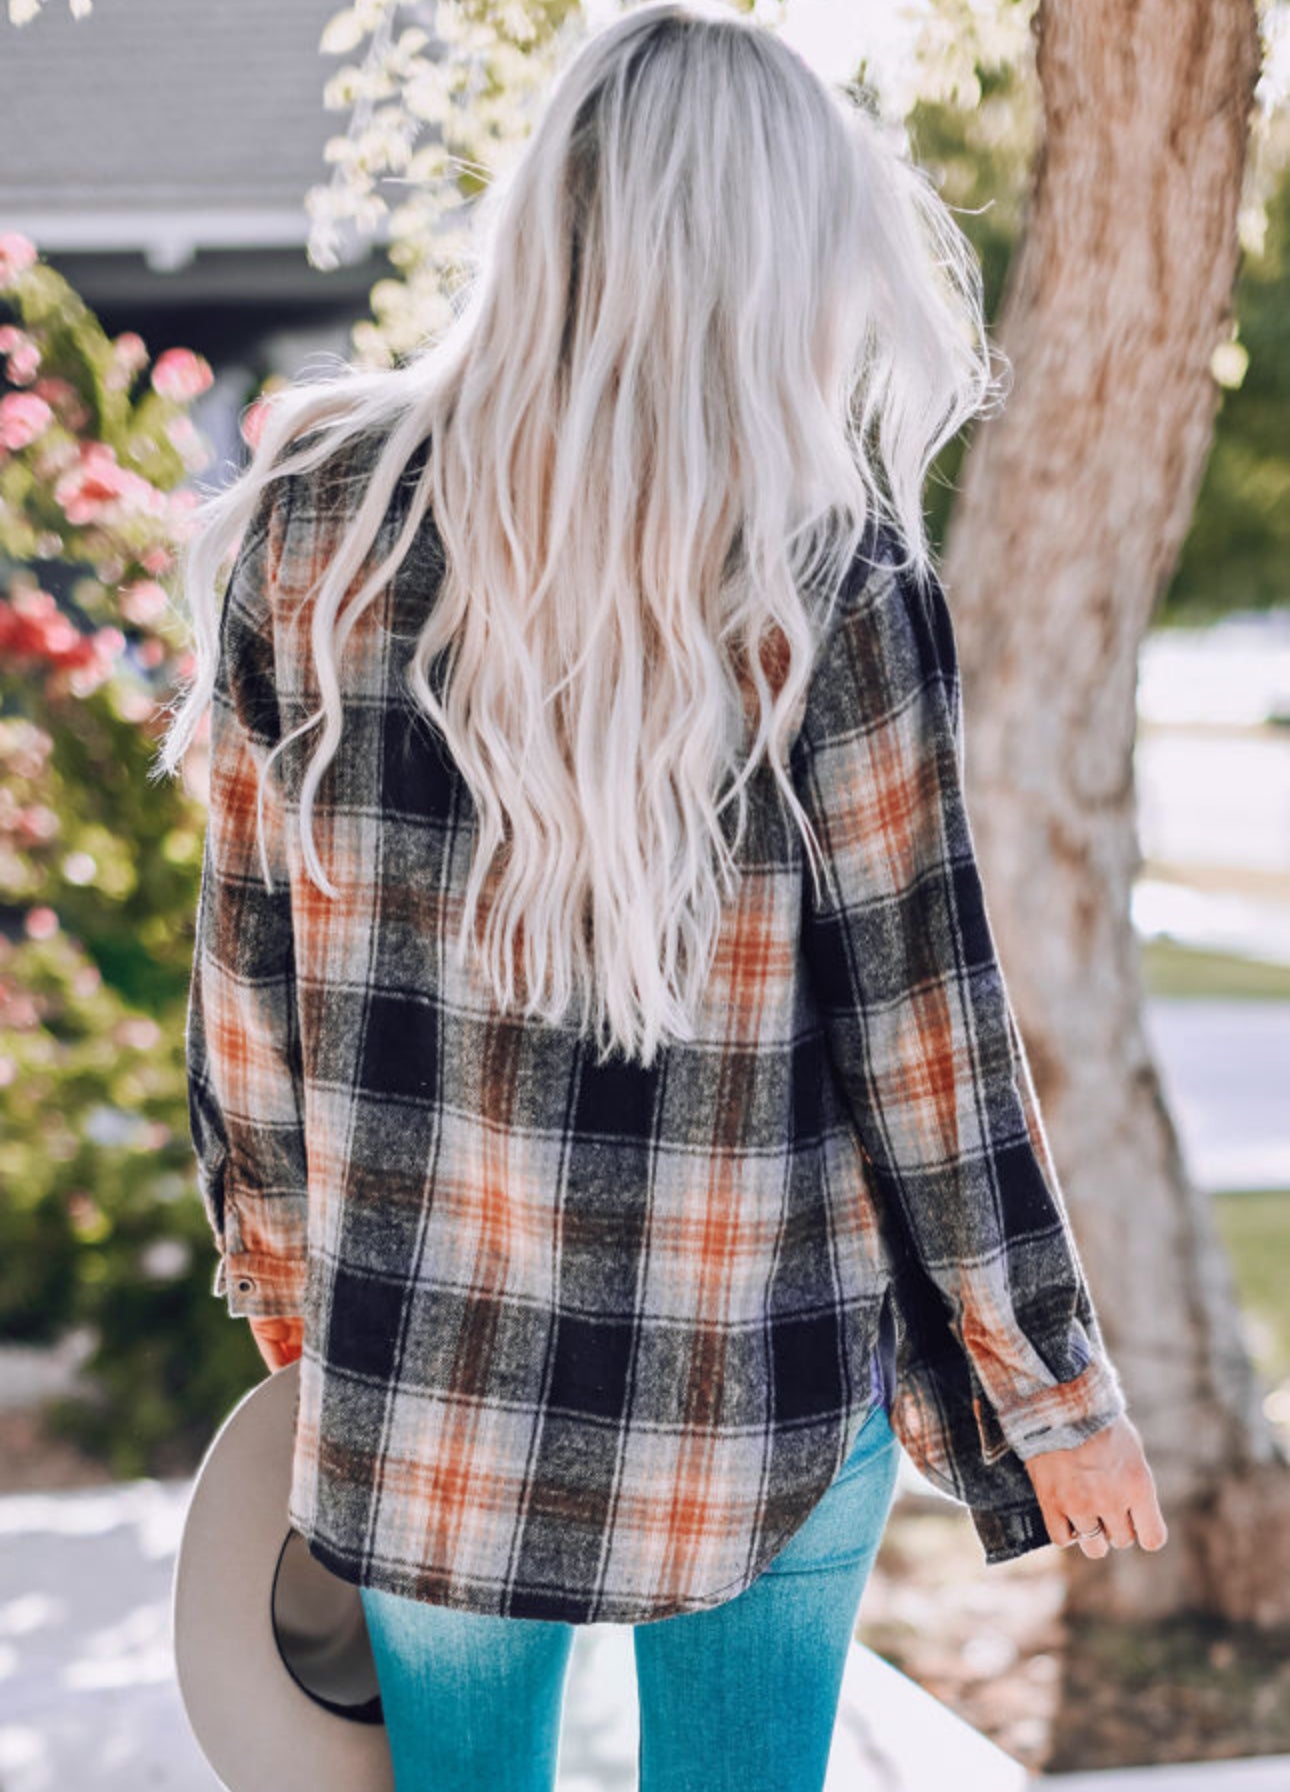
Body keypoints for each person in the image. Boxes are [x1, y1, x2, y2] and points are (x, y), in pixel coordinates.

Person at [156, 3, 1167, 1786]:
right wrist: (1046, 1394)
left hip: (427, 1367)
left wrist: (279, 1259)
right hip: (754, 1379)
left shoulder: (312, 521)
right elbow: (929, 1033)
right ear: (784, 247)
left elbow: (250, 944)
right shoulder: (829, 578)